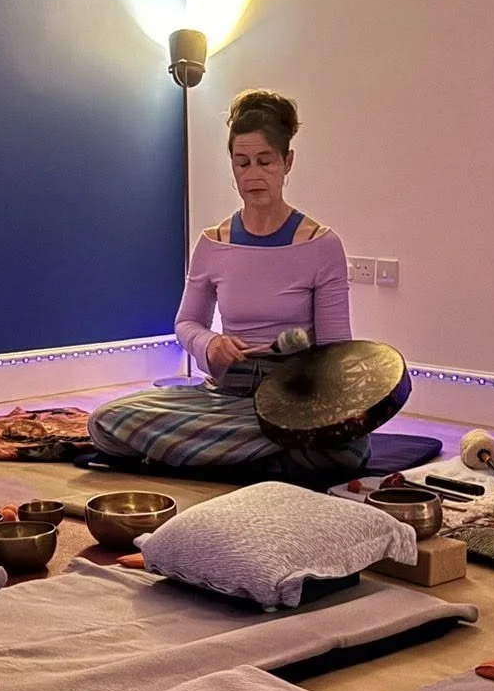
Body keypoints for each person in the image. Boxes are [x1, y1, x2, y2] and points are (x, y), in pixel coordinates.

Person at [88, 91, 376, 475]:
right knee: (105, 421)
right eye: (243, 163)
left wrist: (319, 403)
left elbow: (336, 350)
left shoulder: (321, 244)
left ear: (287, 162)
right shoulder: (213, 242)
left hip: (294, 398)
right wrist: (211, 344)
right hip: (227, 397)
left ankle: (206, 453)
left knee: (347, 447)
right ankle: (252, 454)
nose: (253, 174)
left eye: (265, 161)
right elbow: (186, 323)